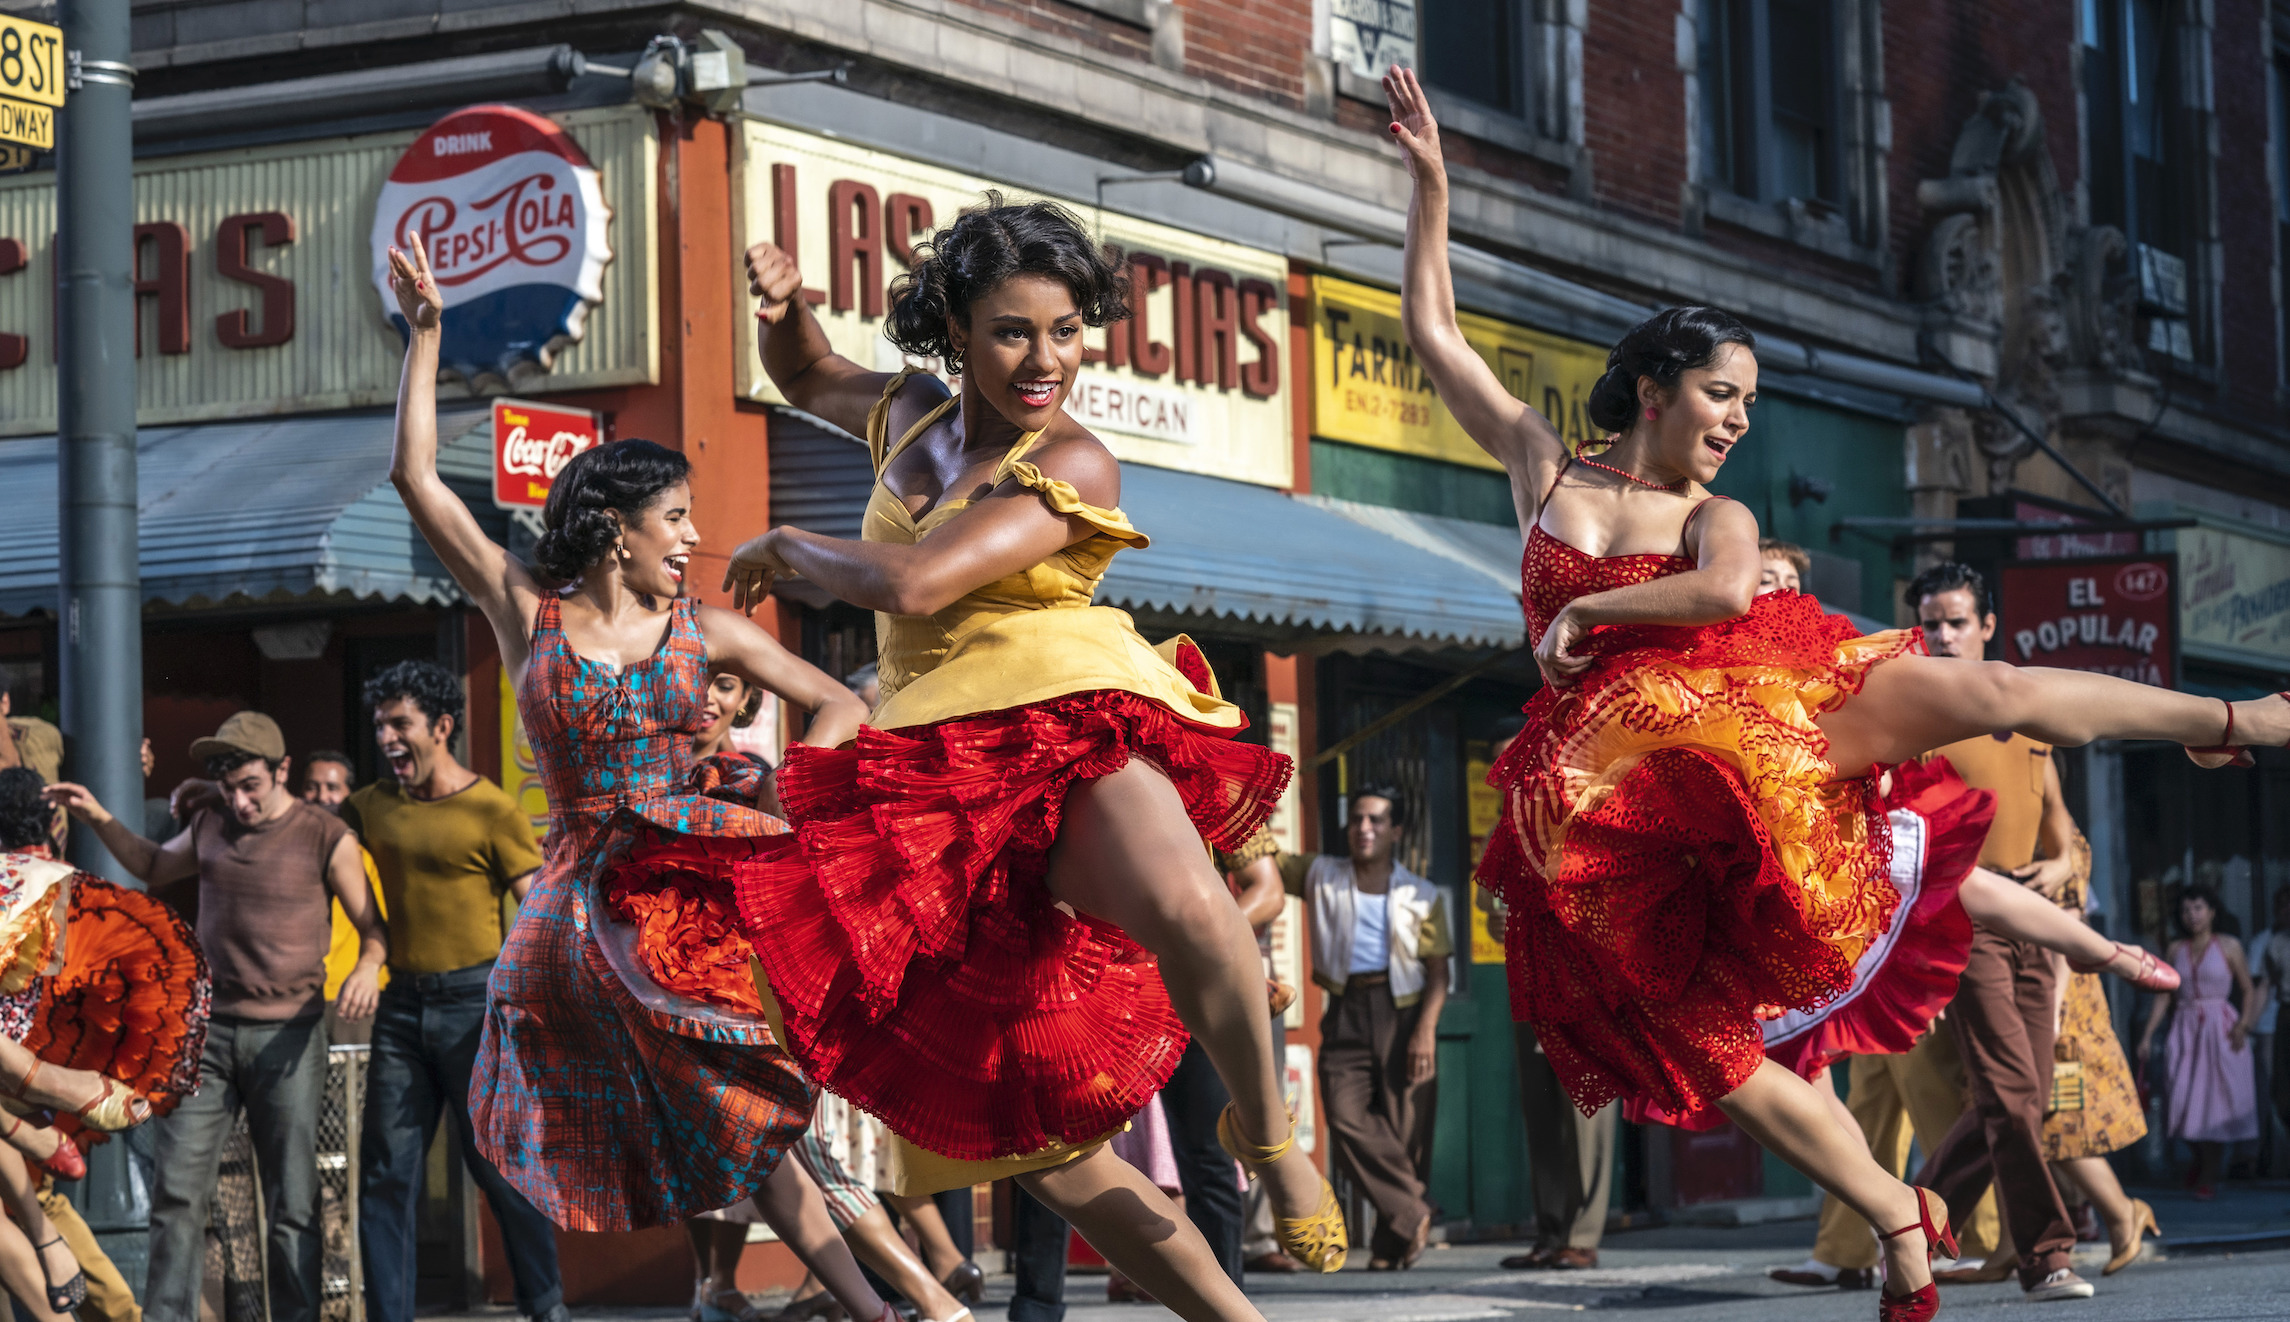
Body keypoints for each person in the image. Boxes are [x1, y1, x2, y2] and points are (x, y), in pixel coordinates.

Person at [1382, 63, 2285, 1322]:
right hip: (1609, 803)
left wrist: (1589, 607)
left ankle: (2233, 721)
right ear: (1654, 387)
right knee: (1709, 1059)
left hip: (1757, 723)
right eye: (1719, 395)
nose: (1738, 421)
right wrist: (1430, 183)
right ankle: (1897, 1213)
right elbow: (1433, 333)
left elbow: (1712, 601)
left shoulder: (1723, 514)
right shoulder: (1546, 470)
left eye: (1750, 404)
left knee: (1991, 688)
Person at [690, 194, 1336, 1319]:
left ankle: (1268, 1138)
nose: (1045, 360)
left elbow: (917, 581)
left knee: (1197, 911)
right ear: (955, 320)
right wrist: (785, 307)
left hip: (1054, 719)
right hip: (931, 781)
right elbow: (807, 374)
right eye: (1012, 331)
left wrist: (789, 542)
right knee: (1050, 1143)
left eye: (1067, 330)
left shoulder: (1075, 460)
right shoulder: (910, 420)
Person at [380, 235, 894, 1321]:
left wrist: (801, 811)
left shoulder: (708, 629)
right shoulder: (533, 617)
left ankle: (887, 1304)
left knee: (754, 1116)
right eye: (676, 519)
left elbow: (841, 701)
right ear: (616, 530)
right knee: (709, 1124)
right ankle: (872, 1301)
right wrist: (425, 336)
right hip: (571, 917)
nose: (695, 536)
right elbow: (417, 480)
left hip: (694, 896)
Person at [47, 711, 382, 1322]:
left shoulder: (325, 835)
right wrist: (96, 815)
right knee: (178, 1193)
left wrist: (364, 969)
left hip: (291, 1036)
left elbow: (374, 930)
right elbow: (150, 866)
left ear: (282, 770)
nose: (240, 799)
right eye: (229, 786)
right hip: (209, 1035)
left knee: (293, 1201)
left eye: (251, 784)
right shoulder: (210, 822)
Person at [678, 671, 970, 1322]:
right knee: (744, 1159)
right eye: (691, 681)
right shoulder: (637, 775)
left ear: (746, 702)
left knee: (802, 1161)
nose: (705, 698)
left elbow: (796, 882)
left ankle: (932, 1297)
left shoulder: (758, 783)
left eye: (724, 685)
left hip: (748, 997)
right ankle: (719, 1289)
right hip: (669, 997)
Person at [343, 660, 567, 1322]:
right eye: (380, 724)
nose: (386, 737)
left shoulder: (492, 809)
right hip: (400, 1008)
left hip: (476, 1007)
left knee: (500, 1170)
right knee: (385, 1175)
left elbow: (534, 911)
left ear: (441, 727)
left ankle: (546, 1306)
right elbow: (311, 834)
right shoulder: (371, 808)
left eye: (400, 723)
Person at [0, 765, 204, 1322]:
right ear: (55, 826)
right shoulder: (57, 880)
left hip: (31, 1073)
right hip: (44, 1063)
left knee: (32, 1203)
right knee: (31, 1202)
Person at [1266, 787, 1450, 1271]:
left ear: (1396, 832)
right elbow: (1270, 860)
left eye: (1375, 821)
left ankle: (1392, 1245)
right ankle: (1415, 1210)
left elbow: (1438, 975)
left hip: (1403, 1011)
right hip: (1346, 1007)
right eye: (1356, 821)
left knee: (1404, 1128)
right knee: (1345, 1116)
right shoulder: (1322, 874)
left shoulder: (1421, 894)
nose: (1363, 829)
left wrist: (1425, 1031)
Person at [2041, 843, 2159, 1277]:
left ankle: (2119, 1211)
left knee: (2051, 1119)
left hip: (2058, 1001)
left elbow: (2065, 923)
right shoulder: (2047, 830)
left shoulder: (2054, 837)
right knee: (2023, 1118)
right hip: (2049, 994)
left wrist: (2052, 1009)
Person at [2139, 886, 2261, 1199]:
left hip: (2220, 1028)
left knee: (2217, 1102)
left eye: (2198, 908)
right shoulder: (2175, 948)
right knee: (2179, 1098)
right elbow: (2165, 995)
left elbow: (2248, 988)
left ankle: (2209, 1173)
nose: (2192, 915)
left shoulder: (2230, 946)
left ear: (2212, 912)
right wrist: (2148, 1034)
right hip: (2184, 1028)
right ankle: (2198, 1158)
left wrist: (2244, 1025)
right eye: (2186, 910)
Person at [2253, 889, 2290, 1167]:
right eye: (2282, 906)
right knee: (2280, 1092)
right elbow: (2265, 985)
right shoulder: (2274, 943)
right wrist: (2247, 1025)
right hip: (2284, 1015)